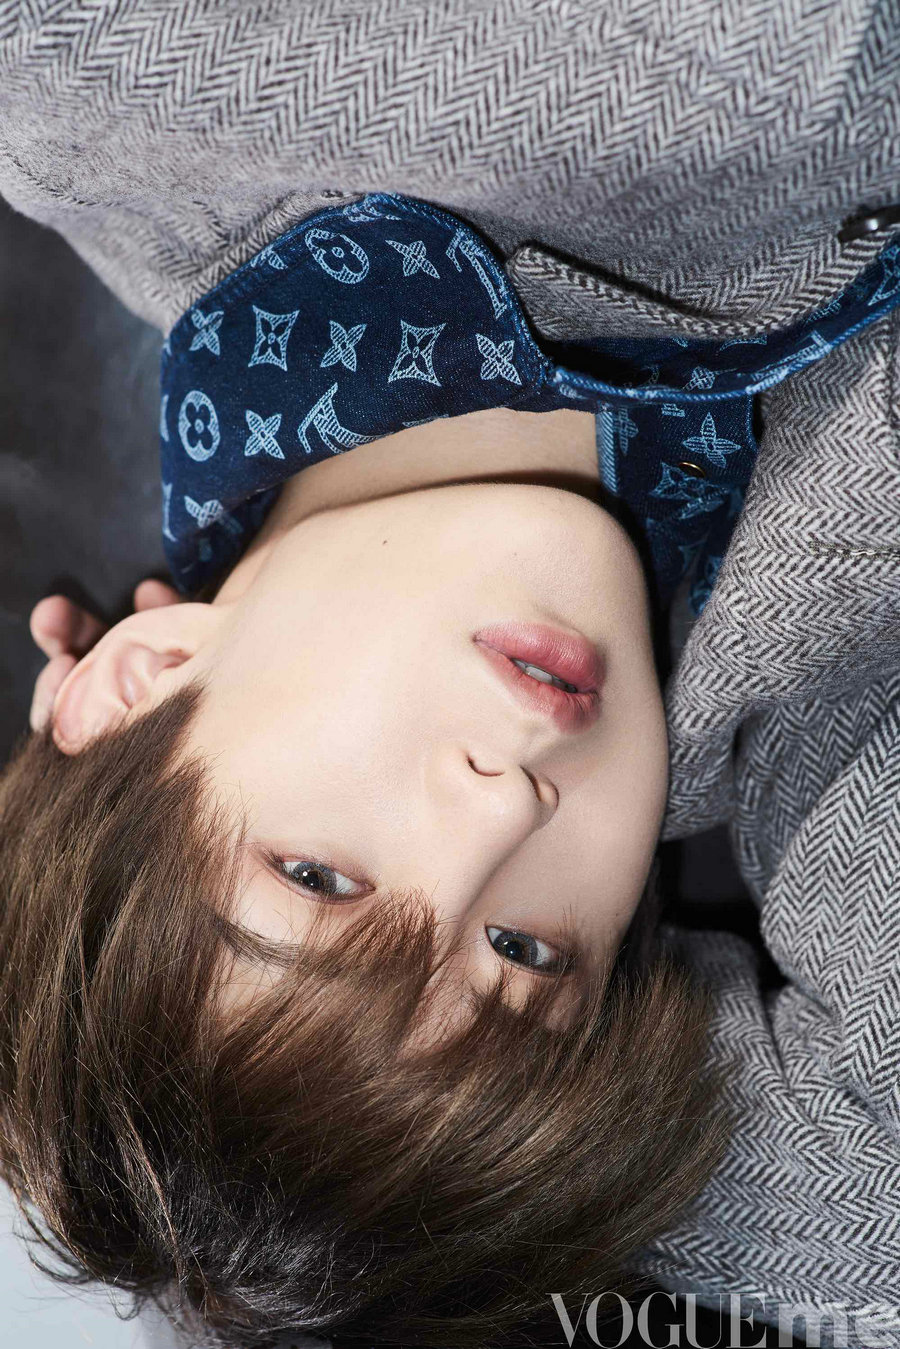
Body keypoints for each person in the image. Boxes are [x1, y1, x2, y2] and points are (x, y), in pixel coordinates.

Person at [2, 1, 900, 1346]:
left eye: (316, 877)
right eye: (528, 955)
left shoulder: (103, 86)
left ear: (141, 681)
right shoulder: (813, 678)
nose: (502, 809)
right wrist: (461, 1164)